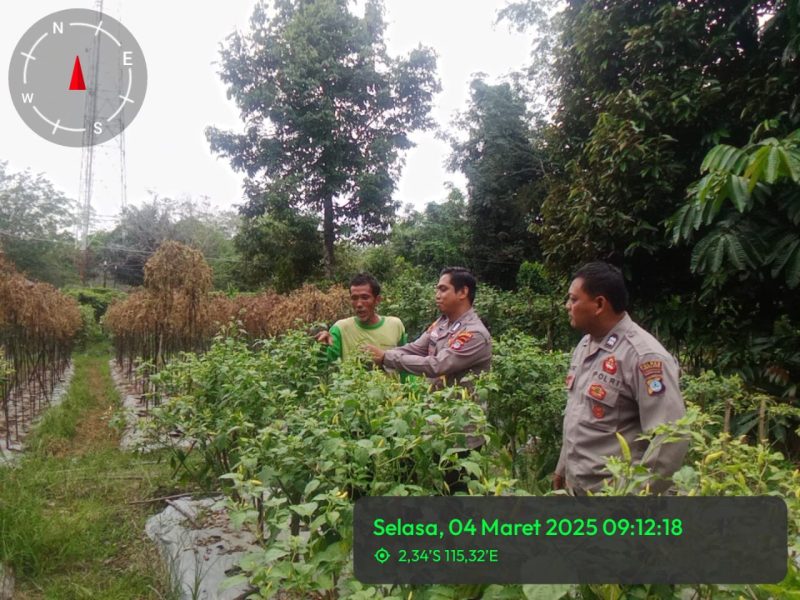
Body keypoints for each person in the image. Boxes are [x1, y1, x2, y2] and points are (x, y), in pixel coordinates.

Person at [554, 261, 688, 495]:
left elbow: (670, 439)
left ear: (599, 304)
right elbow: (578, 413)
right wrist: (563, 467)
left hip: (617, 498)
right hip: (581, 491)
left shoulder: (644, 357)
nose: (567, 306)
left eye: (574, 299)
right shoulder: (586, 344)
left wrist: (635, 498)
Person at [316, 273, 406, 362]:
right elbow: (325, 365)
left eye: (365, 298)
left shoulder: (395, 325)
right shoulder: (340, 328)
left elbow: (405, 361)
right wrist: (322, 347)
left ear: (377, 300)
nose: (359, 304)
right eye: (354, 298)